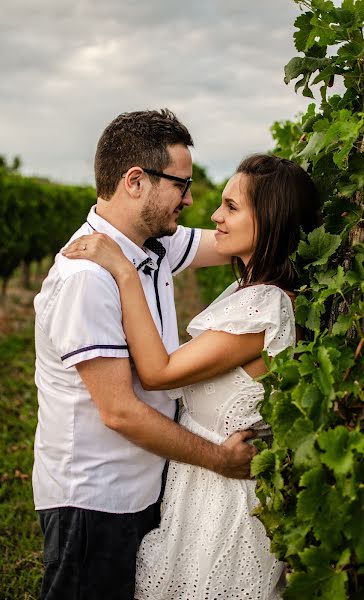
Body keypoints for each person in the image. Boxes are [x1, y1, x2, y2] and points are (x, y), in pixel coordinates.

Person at [62, 153, 320, 599]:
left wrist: (123, 270)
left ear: (272, 219)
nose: (215, 216)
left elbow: (159, 372)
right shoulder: (246, 291)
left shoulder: (263, 309)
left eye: (232, 208)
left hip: (226, 503)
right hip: (201, 488)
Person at [32, 109, 257, 600]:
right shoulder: (85, 278)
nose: (191, 199)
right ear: (136, 181)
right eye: (182, 184)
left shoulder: (154, 246)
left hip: (142, 487)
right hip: (95, 502)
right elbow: (120, 412)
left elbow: (238, 240)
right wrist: (219, 459)